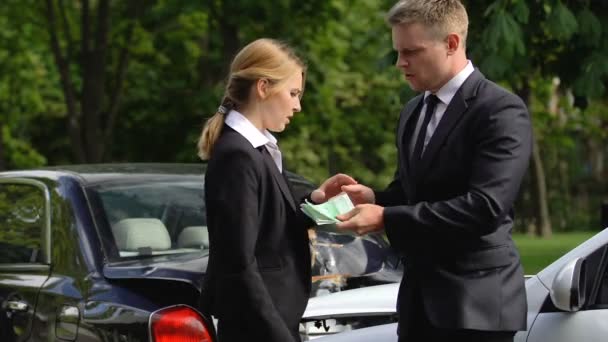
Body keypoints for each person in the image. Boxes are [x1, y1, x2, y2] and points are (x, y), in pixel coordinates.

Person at [330, 1, 533, 341]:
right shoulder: (414, 109)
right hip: (419, 302)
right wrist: (374, 197)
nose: (400, 63)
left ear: (451, 43)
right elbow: (413, 193)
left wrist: (386, 217)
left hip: (476, 307)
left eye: (411, 51)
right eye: (397, 51)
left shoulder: (500, 110)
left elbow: (485, 207)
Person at [197, 38, 355, 342]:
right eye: (293, 93)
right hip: (257, 329)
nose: (298, 105)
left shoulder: (259, 149)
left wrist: (318, 202)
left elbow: (273, 225)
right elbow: (239, 264)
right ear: (263, 87)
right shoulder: (238, 155)